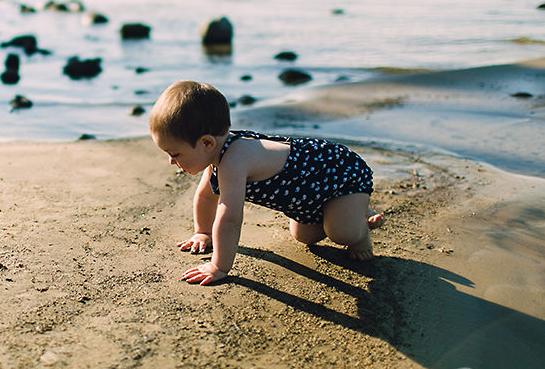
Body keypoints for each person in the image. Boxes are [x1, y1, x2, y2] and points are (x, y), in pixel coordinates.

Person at [149, 80, 384, 286]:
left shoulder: (235, 159)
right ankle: (349, 210)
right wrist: (203, 232)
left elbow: (230, 218)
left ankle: (360, 224)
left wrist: (219, 266)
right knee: (303, 237)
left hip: (339, 175)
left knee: (342, 233)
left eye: (175, 154)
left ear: (207, 143)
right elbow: (206, 197)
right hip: (310, 196)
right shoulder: (216, 156)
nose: (171, 161)